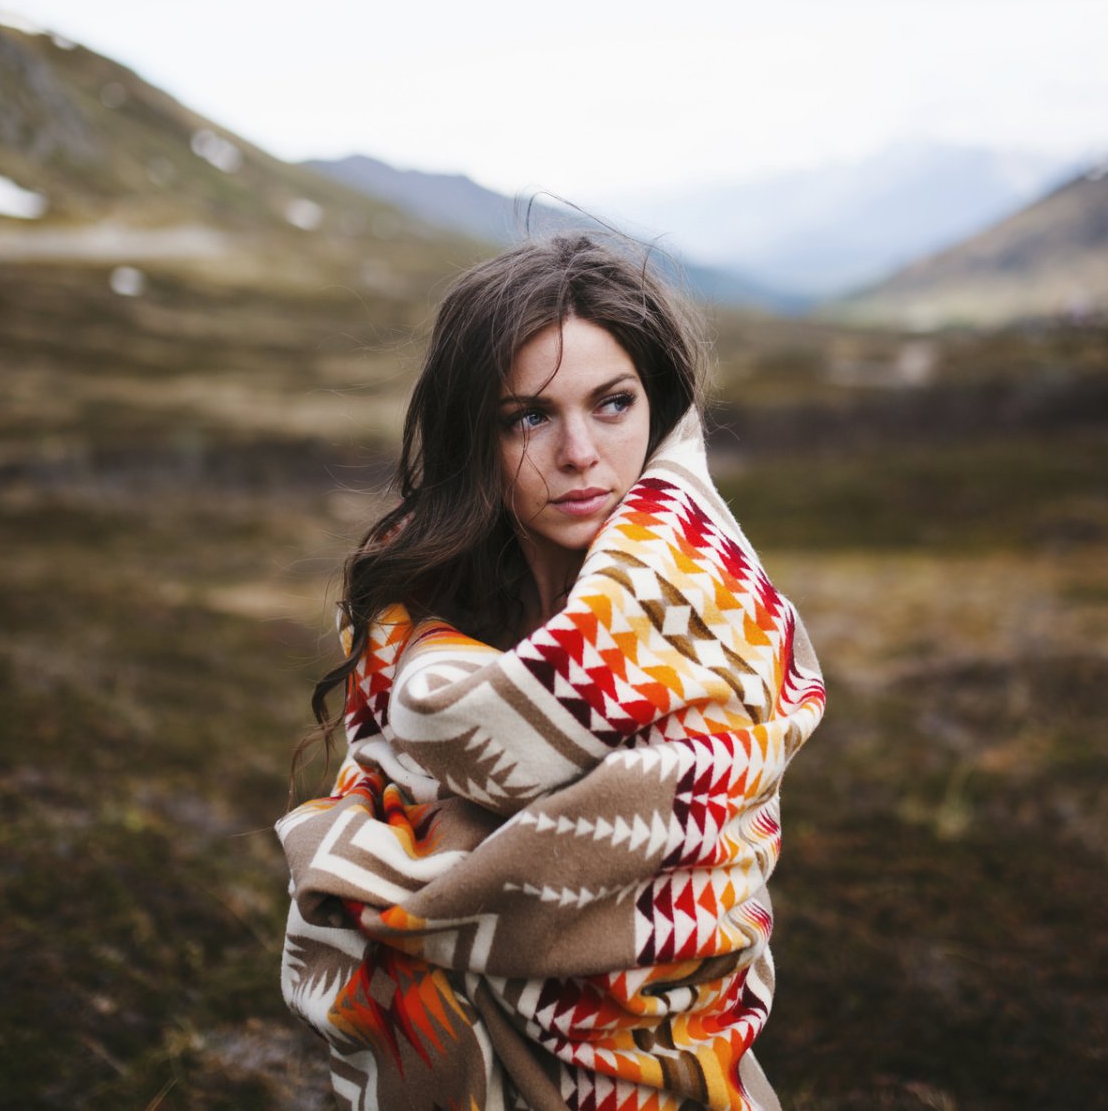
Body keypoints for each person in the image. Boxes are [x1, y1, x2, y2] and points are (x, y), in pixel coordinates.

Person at [277, 232, 825, 1111]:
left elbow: (710, 896)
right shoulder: (409, 636)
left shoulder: (719, 622)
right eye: (529, 416)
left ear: (660, 409)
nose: (580, 452)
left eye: (613, 404)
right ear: (477, 437)